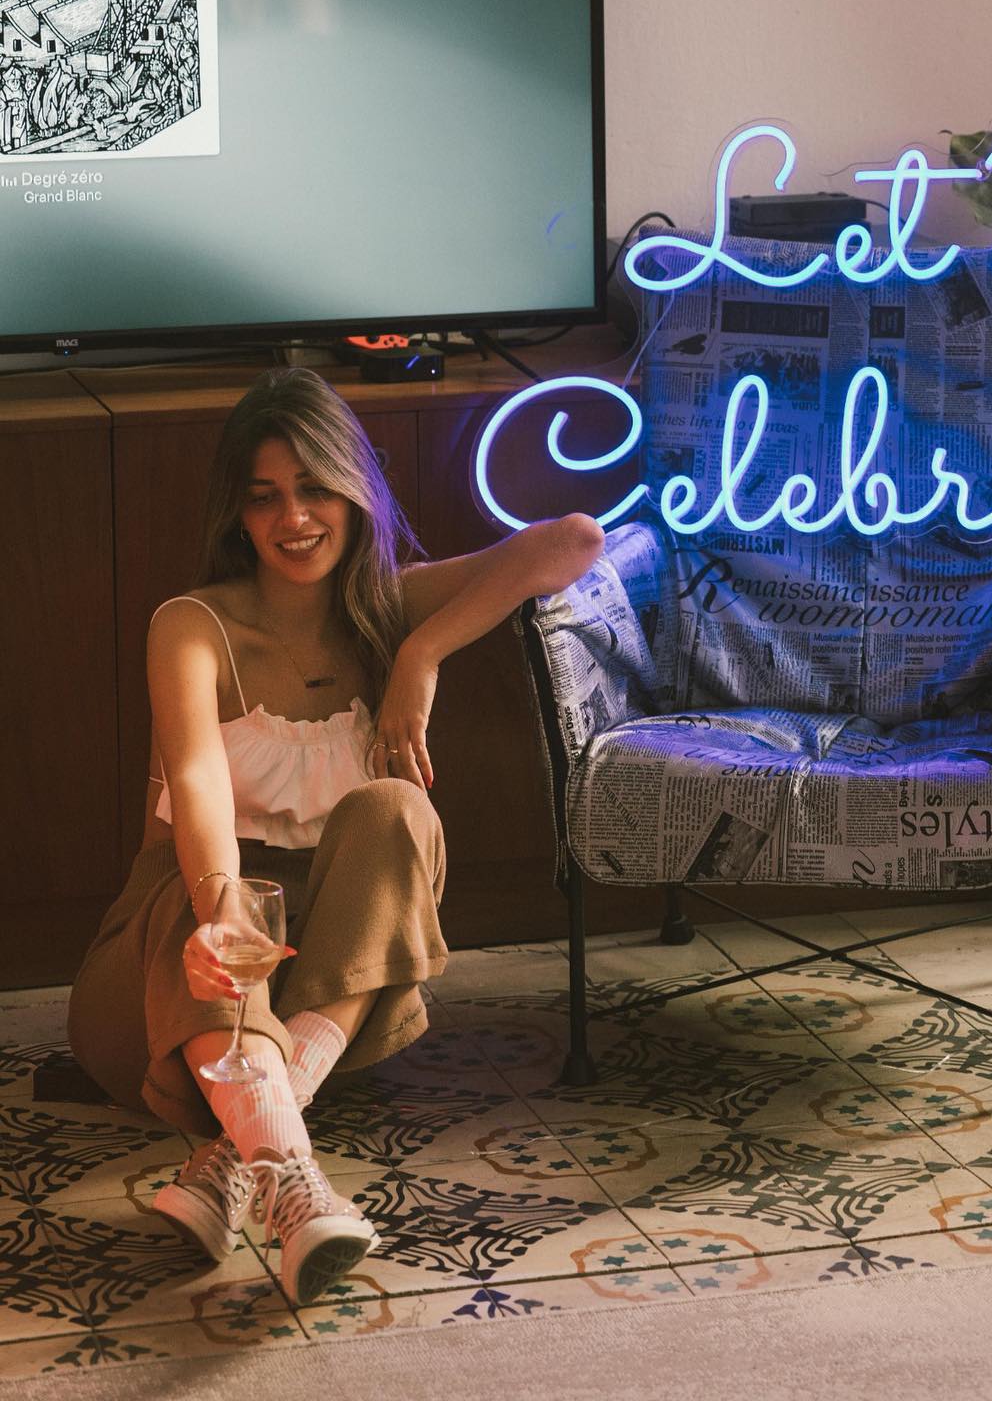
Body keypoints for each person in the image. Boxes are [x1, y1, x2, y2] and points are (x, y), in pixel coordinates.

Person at [66, 368, 604, 1306]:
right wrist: (221, 917)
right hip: (167, 977)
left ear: (357, 493)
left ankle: (245, 1157)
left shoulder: (385, 611)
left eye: (317, 487)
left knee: (399, 811)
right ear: (237, 512)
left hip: (321, 986)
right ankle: (294, 1177)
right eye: (267, 495)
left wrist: (421, 653)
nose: (295, 518)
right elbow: (195, 783)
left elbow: (573, 541)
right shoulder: (190, 626)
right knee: (185, 907)